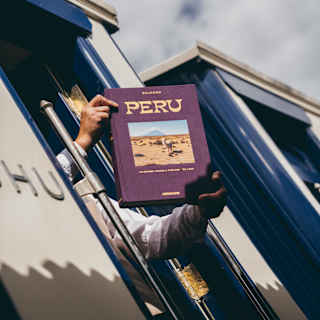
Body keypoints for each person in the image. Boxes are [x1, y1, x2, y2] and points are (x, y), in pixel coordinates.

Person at [57, 94, 227, 260]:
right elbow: (50, 185)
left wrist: (199, 211)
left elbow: (150, 238)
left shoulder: (87, 201)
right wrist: (82, 142)